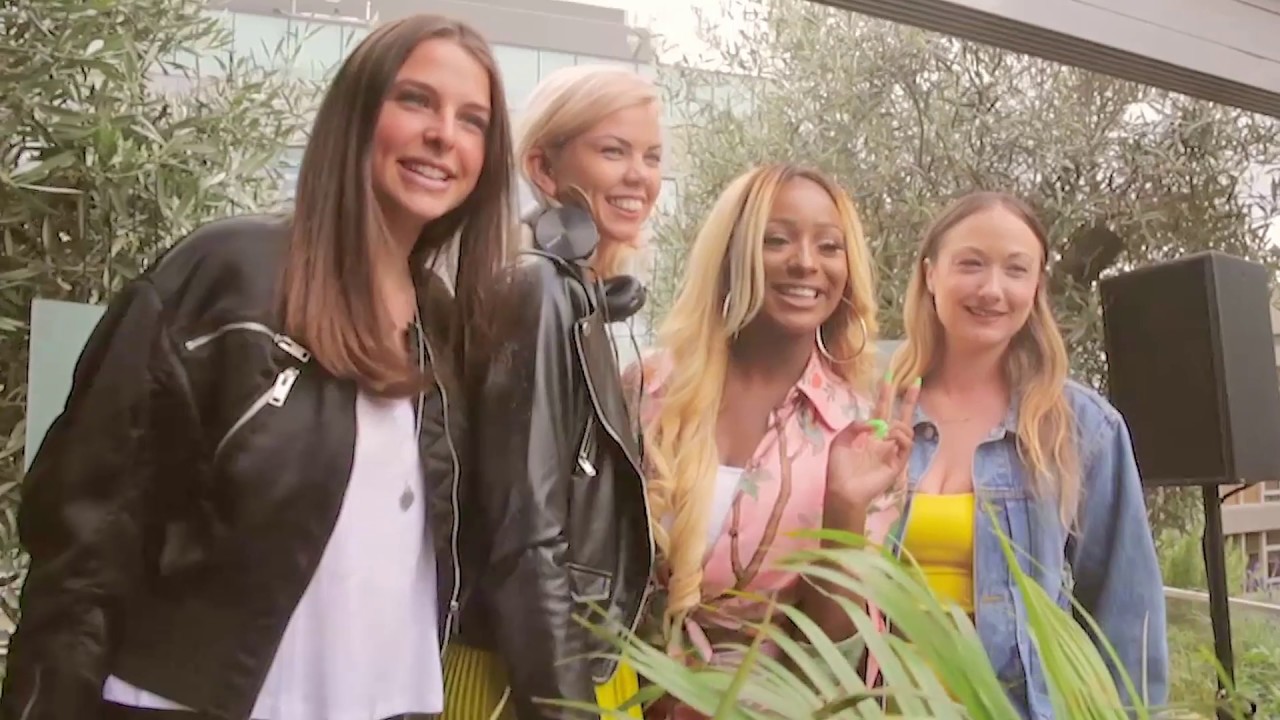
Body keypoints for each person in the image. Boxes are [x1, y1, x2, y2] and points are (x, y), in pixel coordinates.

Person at [1, 14, 514, 720]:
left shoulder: (449, 331)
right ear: (357, 114)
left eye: (473, 120)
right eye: (416, 100)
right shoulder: (224, 275)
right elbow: (86, 530)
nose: (443, 134)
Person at [625, 163, 919, 720]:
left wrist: (846, 510)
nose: (805, 262)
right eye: (776, 240)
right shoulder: (644, 391)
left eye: (829, 246)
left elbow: (835, 651)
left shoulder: (859, 429)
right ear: (732, 253)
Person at [883, 191, 1168, 715]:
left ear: (1036, 285)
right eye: (971, 264)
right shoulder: (869, 403)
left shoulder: (1083, 427)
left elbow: (1128, 615)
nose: (993, 290)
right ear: (929, 274)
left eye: (1016, 270)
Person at [445, 64, 663, 720]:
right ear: (543, 168)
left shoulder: (580, 296)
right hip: (533, 679)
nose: (640, 176)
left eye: (651, 156)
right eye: (613, 151)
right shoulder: (539, 290)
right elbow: (526, 533)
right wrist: (566, 708)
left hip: (572, 664)